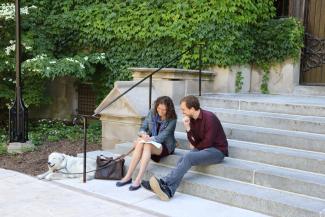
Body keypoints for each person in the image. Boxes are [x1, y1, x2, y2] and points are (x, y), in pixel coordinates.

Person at [148, 95, 228, 200]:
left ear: (192, 109)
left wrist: (195, 147)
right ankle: (169, 190)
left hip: (217, 151)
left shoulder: (209, 118)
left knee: (189, 157)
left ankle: (164, 182)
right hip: (204, 148)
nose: (182, 111)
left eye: (183, 109)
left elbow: (207, 143)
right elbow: (193, 142)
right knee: (183, 158)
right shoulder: (191, 119)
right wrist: (188, 128)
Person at [116, 96, 177, 191]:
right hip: (150, 142)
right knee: (141, 143)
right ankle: (128, 176)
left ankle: (138, 179)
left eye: (164, 110)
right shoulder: (152, 113)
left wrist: (146, 139)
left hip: (165, 146)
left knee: (145, 144)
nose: (160, 111)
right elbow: (143, 128)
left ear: (169, 110)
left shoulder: (172, 119)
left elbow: (162, 137)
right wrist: (143, 135)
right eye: (159, 108)